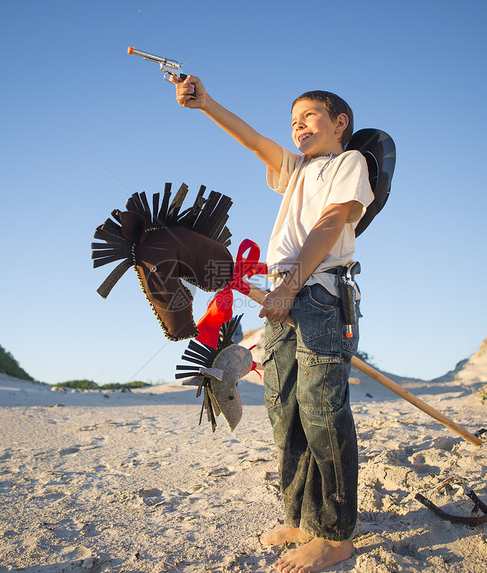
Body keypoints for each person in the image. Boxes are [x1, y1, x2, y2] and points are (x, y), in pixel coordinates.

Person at [171, 74, 373, 573]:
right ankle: (305, 519)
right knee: (286, 410)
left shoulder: (350, 162)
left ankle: (336, 536)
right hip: (284, 295)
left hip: (320, 295)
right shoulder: (299, 167)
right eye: (292, 121)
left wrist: (288, 288)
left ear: (339, 123)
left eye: (309, 117)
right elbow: (254, 140)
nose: (297, 127)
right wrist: (207, 104)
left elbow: (330, 224)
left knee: (323, 413)